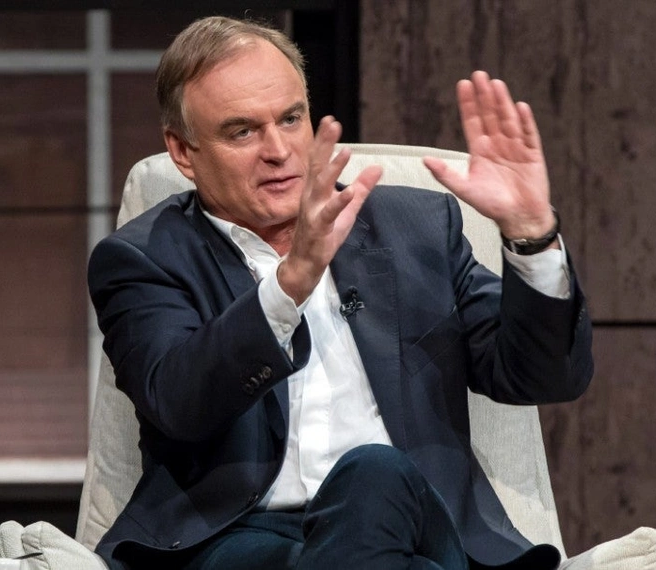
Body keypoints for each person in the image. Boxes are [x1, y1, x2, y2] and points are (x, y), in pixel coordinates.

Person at [87, 15, 593, 570]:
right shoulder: (143, 258)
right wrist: (288, 286)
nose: (279, 149)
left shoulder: (415, 228)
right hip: (241, 538)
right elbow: (178, 402)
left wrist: (532, 235)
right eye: (242, 131)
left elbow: (543, 375)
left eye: (291, 118)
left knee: (375, 473)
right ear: (183, 152)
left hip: (412, 516)